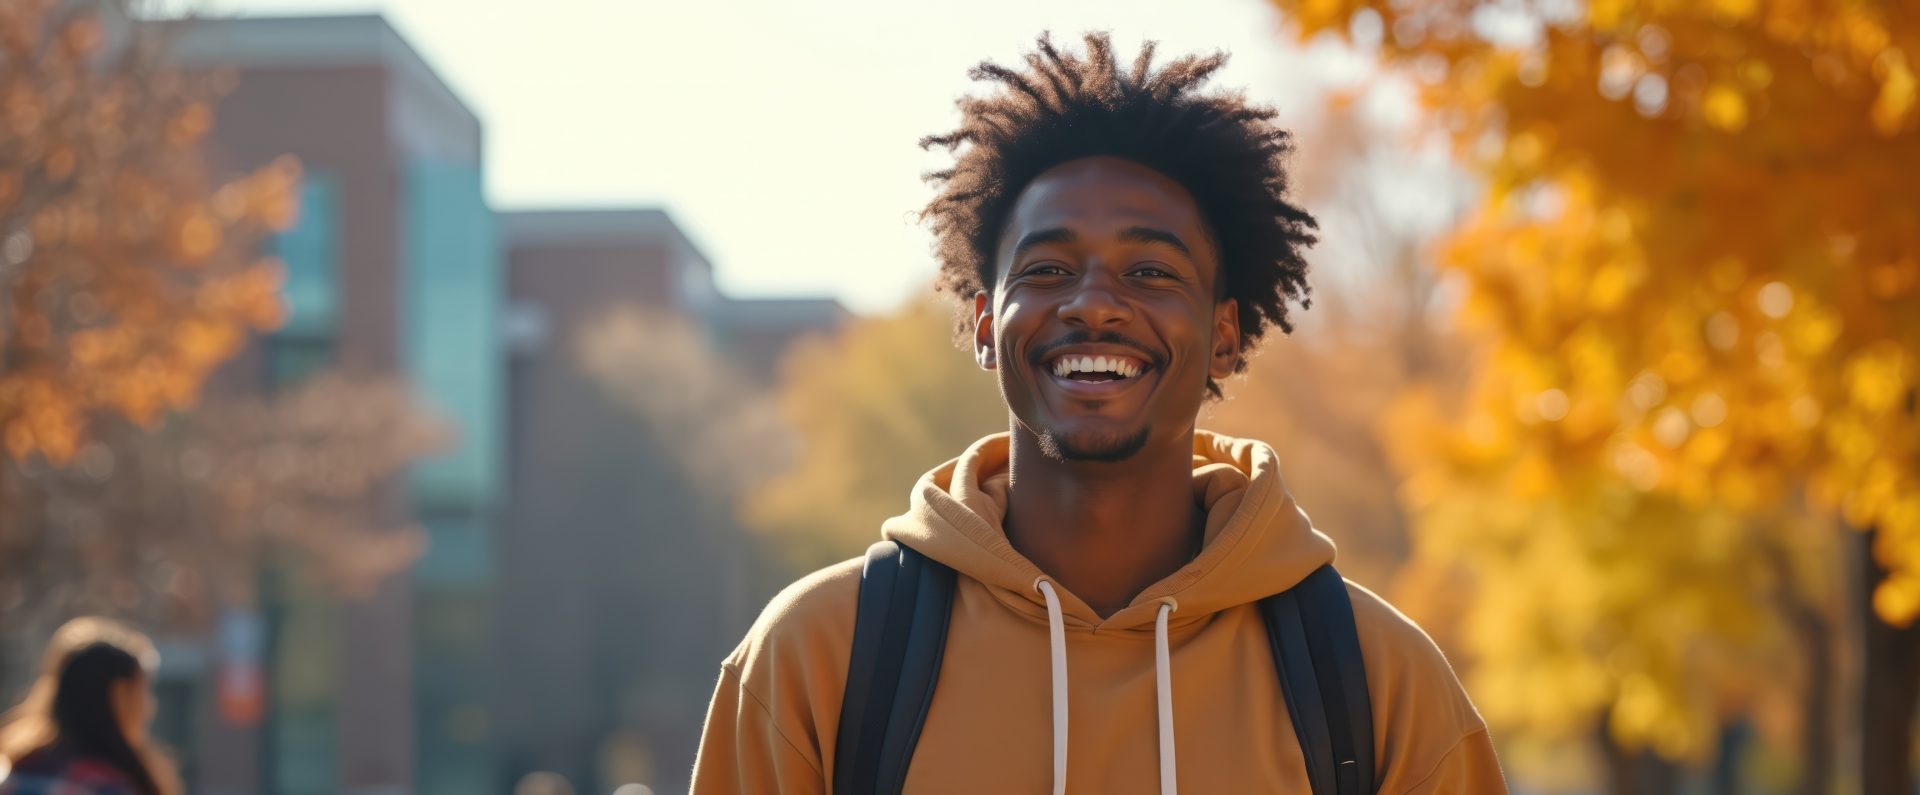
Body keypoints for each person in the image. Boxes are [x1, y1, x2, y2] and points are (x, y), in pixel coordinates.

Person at [692, 32, 1506, 793]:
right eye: (1047, 268)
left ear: (1224, 336)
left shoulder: (1376, 681)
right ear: (984, 324)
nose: (1095, 305)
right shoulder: (819, 659)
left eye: (1151, 271)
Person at [0, 617, 178, 795]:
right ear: (120, 694)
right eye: (144, 691)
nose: (150, 708)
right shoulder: (107, 787)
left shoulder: (16, 773)